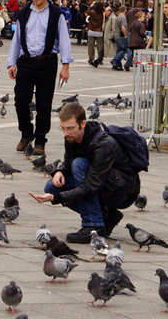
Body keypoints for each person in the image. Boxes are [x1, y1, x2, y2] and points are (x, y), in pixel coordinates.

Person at [28, 102, 141, 243]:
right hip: (100, 182)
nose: (66, 133)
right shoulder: (71, 137)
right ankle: (106, 216)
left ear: (83, 124)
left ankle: (93, 225)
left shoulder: (104, 144)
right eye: (63, 128)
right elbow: (68, 161)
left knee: (79, 164)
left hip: (121, 190)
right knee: (52, 187)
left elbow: (90, 186)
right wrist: (60, 171)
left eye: (70, 128)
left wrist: (56, 198)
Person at [6, 0, 72, 155]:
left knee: (44, 103)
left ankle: (41, 139)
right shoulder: (24, 12)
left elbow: (64, 40)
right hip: (26, 61)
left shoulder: (56, 13)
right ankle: (26, 133)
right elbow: (17, 39)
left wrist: (65, 66)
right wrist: (12, 62)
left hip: (47, 62)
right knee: (21, 100)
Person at [109, 4, 129, 70]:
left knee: (119, 49)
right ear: (125, 10)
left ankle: (117, 64)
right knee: (124, 49)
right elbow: (123, 27)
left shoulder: (117, 17)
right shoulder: (123, 17)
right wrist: (125, 35)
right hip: (121, 36)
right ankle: (115, 60)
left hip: (116, 35)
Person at [85, 1, 105, 67]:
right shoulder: (102, 13)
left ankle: (91, 59)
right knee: (100, 47)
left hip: (91, 30)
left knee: (91, 46)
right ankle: (100, 59)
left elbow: (87, 12)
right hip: (99, 31)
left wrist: (91, 5)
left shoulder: (92, 12)